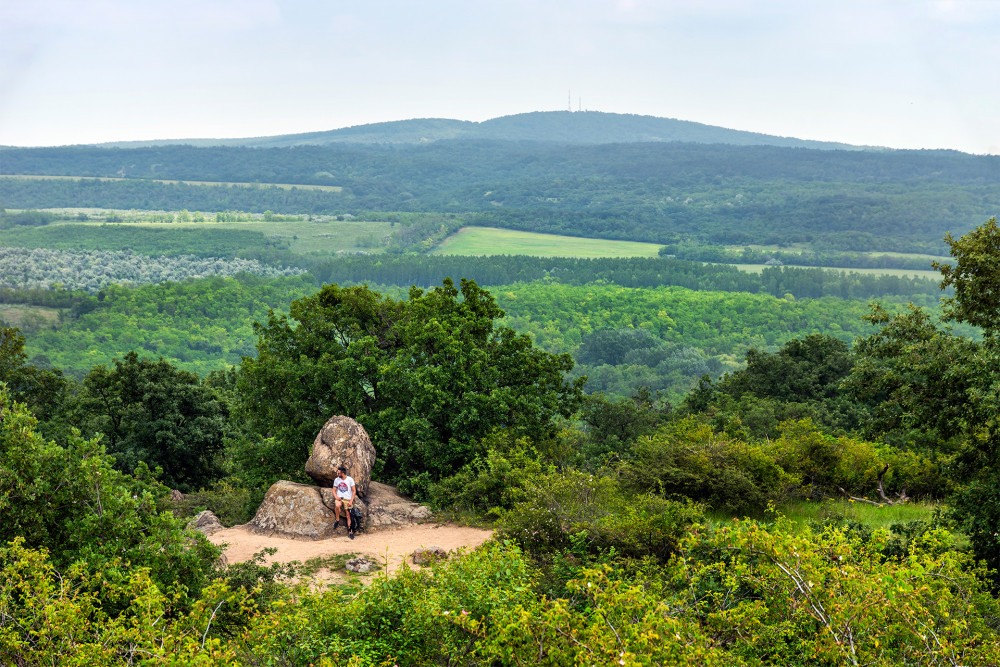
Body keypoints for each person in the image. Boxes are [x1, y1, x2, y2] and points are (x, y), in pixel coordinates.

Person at [333, 465, 357, 539]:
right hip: (340, 498)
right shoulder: (336, 480)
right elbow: (334, 490)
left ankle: (350, 531)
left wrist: (351, 501)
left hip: (348, 499)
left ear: (342, 473)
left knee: (348, 515)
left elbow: (354, 491)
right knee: (337, 505)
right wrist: (336, 497)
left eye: (338, 473)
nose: (337, 474)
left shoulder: (350, 480)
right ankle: (337, 520)